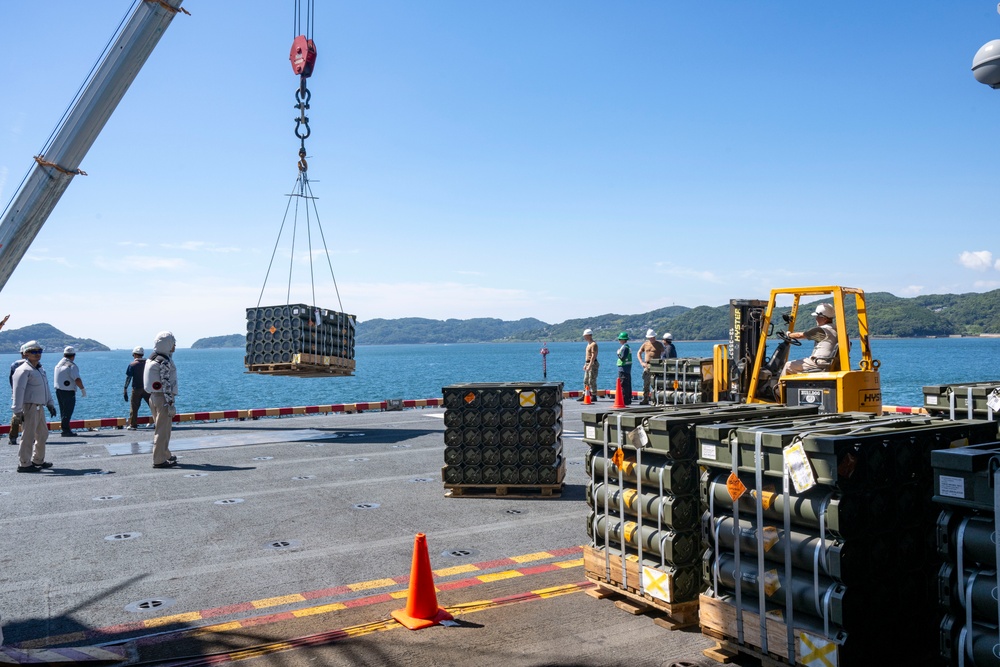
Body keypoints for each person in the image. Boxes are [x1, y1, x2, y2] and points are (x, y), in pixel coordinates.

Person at [11, 341, 57, 472]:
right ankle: (24, 463)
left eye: (39, 351)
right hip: (29, 406)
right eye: (33, 351)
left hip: (39, 406)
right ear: (26, 354)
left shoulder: (40, 369)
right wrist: (17, 411)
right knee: (28, 435)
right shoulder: (23, 370)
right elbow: (18, 391)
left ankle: (38, 459)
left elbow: (46, 388)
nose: (37, 354)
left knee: (43, 434)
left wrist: (50, 404)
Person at [144, 331, 179, 468]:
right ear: (167, 344)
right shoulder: (164, 361)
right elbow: (165, 382)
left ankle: (166, 454)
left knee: (162, 429)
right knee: (162, 431)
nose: (175, 346)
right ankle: (159, 459)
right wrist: (170, 402)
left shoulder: (152, 358)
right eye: (173, 343)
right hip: (163, 398)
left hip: (153, 397)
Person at [781, 303, 839, 375]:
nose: (816, 319)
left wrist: (788, 334)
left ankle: (780, 386)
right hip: (828, 362)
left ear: (824, 319)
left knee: (788, 365)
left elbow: (800, 335)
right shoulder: (836, 329)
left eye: (817, 317)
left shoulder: (821, 330)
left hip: (819, 363)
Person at [53, 346, 86, 437]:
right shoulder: (71, 366)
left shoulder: (58, 365)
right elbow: (77, 379)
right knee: (68, 410)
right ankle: (66, 430)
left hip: (59, 390)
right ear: (73, 355)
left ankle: (64, 428)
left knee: (62, 410)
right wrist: (82, 389)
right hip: (68, 391)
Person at [124, 346, 151, 430]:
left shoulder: (132, 365)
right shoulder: (148, 363)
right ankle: (159, 422)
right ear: (142, 354)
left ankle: (133, 424)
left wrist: (125, 389)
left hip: (136, 389)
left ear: (134, 354)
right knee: (153, 406)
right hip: (148, 388)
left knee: (134, 407)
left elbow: (128, 378)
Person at [637, 329, 664, 405]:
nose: (651, 339)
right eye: (650, 337)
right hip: (647, 365)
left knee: (656, 384)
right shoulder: (645, 344)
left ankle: (655, 400)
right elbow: (639, 353)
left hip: (656, 366)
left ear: (654, 337)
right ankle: (645, 399)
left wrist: (661, 363)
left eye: (652, 337)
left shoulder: (659, 344)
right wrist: (641, 362)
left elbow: (663, 354)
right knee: (646, 383)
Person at [8, 350, 26, 445]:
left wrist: (13, 391)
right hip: (30, 394)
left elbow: (11, 380)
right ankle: (32, 436)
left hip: (16, 393)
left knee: (16, 414)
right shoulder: (34, 364)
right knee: (32, 414)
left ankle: (13, 436)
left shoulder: (14, 365)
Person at [578, 329, 599, 401]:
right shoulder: (588, 344)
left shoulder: (593, 344)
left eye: (586, 336)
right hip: (588, 362)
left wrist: (590, 365)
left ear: (590, 336)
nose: (585, 337)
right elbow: (588, 356)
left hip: (592, 363)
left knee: (592, 380)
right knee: (586, 380)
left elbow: (593, 355)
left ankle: (593, 395)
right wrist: (585, 364)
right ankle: (585, 394)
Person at [616, 331, 633, 406]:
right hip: (626, 369)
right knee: (627, 384)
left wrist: (618, 353)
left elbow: (622, 358)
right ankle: (628, 399)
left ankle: (625, 400)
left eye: (620, 339)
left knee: (624, 384)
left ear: (623, 339)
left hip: (624, 369)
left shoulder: (624, 348)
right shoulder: (627, 347)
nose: (619, 341)